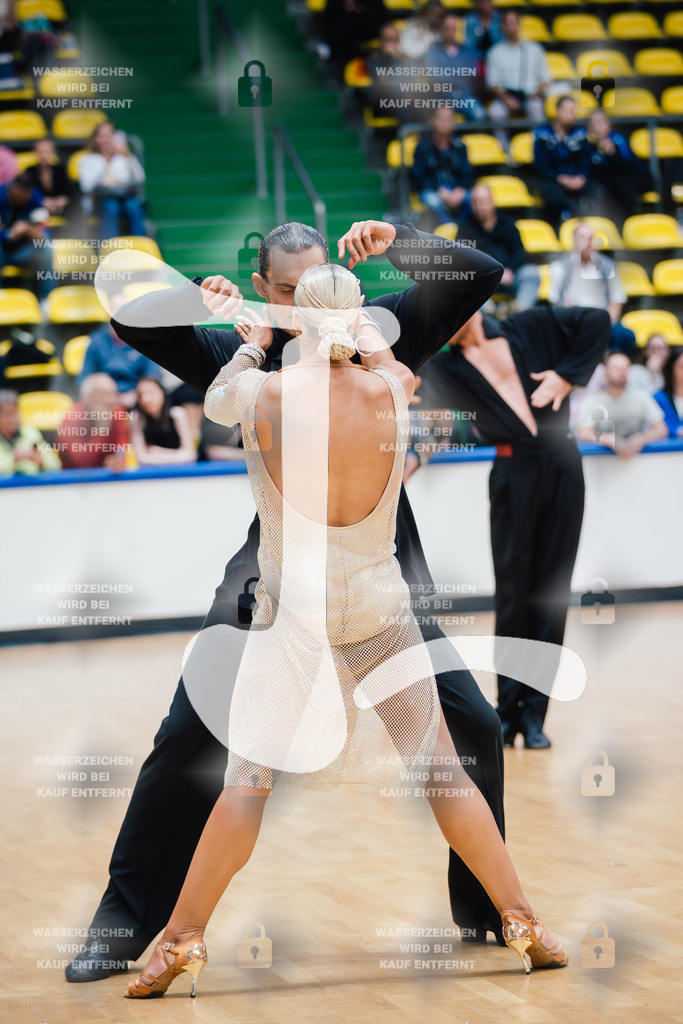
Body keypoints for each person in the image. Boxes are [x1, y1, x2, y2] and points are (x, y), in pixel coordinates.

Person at [65, 219, 509, 982]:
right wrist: (190, 302)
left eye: (316, 286)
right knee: (188, 732)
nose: (305, 307)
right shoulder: (235, 347)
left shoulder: (377, 329)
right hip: (271, 578)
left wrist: (400, 237)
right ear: (265, 287)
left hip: (378, 572)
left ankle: (493, 912)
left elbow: (478, 273)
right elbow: (125, 310)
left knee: (473, 726)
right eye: (284, 291)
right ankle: (124, 921)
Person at [417, 306, 609, 748]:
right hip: (512, 473)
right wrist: (411, 458)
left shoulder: (527, 327)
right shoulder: (444, 366)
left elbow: (597, 320)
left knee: (551, 593)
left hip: (564, 466)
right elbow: (434, 422)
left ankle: (537, 715)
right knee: (513, 594)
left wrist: (568, 375)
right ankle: (507, 711)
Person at [549, 222, 633, 351]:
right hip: (573, 319)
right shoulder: (559, 266)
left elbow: (617, 300)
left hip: (601, 319)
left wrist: (606, 321)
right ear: (574, 242)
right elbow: (555, 301)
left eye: (591, 238)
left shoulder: (608, 266)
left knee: (626, 336)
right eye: (582, 238)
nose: (587, 242)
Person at [458, 182, 539, 310]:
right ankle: (490, 317)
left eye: (483, 201)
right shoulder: (465, 227)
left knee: (531, 273)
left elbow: (519, 251)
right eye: (475, 202)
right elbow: (463, 258)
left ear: (492, 201)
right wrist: (492, 273)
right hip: (483, 281)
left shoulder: (507, 222)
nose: (480, 206)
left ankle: (519, 312)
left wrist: (509, 270)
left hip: (510, 277)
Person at [576, 351, 667, 456]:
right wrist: (611, 440)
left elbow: (661, 429)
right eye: (615, 368)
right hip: (602, 464)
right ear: (605, 373)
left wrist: (641, 438)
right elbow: (582, 432)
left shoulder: (642, 398)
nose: (620, 372)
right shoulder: (591, 401)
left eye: (625, 368)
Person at [533, 96, 597, 223]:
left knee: (596, 190)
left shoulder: (580, 133)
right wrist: (560, 178)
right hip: (553, 180)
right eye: (568, 111)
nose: (571, 115)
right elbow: (540, 164)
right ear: (557, 111)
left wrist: (582, 177)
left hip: (577, 179)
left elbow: (586, 159)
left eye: (573, 111)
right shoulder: (543, 133)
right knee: (553, 196)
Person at [78, 121, 146, 240]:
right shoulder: (87, 160)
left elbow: (140, 178)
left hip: (124, 198)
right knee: (111, 206)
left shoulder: (123, 158)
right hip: (99, 200)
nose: (109, 140)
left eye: (111, 135)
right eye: (105, 136)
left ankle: (142, 245)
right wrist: (106, 161)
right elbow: (87, 187)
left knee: (133, 206)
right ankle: (108, 247)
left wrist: (128, 157)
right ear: (97, 139)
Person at [410, 105, 474, 225]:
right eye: (443, 119)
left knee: (474, 198)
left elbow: (467, 174)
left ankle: (464, 228)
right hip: (433, 191)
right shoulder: (422, 147)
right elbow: (418, 178)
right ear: (432, 120)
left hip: (456, 189)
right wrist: (438, 190)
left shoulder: (460, 146)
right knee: (432, 200)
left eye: (450, 119)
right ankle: (449, 230)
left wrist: (459, 190)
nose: (447, 123)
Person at [586, 110, 652, 225]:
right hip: (612, 185)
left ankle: (632, 222)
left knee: (622, 184)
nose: (596, 127)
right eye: (593, 124)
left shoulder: (618, 139)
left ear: (608, 125)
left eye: (600, 123)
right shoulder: (589, 147)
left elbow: (628, 166)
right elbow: (593, 172)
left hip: (637, 178)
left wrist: (612, 153)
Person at [486, 10, 548, 131]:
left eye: (513, 23)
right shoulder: (494, 52)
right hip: (506, 96)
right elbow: (493, 83)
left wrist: (537, 93)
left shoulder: (534, 49)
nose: (510, 27)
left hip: (530, 95)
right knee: (495, 113)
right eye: (507, 24)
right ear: (502, 27)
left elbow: (545, 79)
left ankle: (537, 143)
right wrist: (507, 99)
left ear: (519, 25)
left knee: (537, 109)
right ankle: (503, 147)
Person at [77, 319, 162, 409]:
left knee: (151, 392)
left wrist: (137, 393)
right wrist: (105, 390)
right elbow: (85, 378)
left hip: (136, 397)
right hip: (105, 397)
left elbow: (153, 376)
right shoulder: (96, 341)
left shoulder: (144, 340)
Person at [55, 373, 130, 470]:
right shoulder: (71, 419)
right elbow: (81, 464)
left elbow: (121, 448)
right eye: (104, 395)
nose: (110, 400)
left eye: (113, 394)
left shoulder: (118, 412)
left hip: (110, 478)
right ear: (87, 397)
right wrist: (100, 430)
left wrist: (117, 460)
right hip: (74, 480)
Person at [0, 172, 55, 298]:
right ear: (12, 190)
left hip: (24, 251)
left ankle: (46, 301)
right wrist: (10, 234)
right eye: (20, 196)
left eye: (26, 196)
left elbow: (45, 233)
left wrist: (35, 233)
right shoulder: (1, 195)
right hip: (2, 249)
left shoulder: (34, 197)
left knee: (46, 250)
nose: (24, 199)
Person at [423, 13, 485, 121]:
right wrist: (459, 79)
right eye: (447, 28)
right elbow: (434, 77)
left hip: (465, 95)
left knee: (479, 114)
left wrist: (449, 75)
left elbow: (473, 75)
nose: (451, 32)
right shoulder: (433, 51)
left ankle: (463, 138)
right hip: (441, 96)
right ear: (441, 29)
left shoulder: (469, 51)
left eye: (454, 28)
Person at [130, 376, 197, 466]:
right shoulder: (137, 419)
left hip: (181, 470)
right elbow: (140, 458)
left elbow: (190, 455)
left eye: (151, 393)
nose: (146, 399)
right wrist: (176, 455)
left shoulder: (177, 414)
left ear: (162, 393)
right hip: (151, 473)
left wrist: (159, 452)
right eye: (141, 394)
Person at [0, 387, 61, 474]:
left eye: (15, 412)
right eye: (7, 414)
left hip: (32, 486)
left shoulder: (30, 433)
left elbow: (55, 465)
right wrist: (14, 459)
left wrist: (40, 461)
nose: (12, 418)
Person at [24, 137, 73, 218]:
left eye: (46, 152)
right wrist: (41, 201)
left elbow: (69, 190)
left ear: (53, 152)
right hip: (38, 207)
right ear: (35, 152)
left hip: (60, 208)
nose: (43, 155)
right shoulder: (30, 171)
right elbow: (27, 192)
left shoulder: (60, 169)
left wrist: (63, 199)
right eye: (40, 152)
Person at [654, 347, 683, 438]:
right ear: (671, 369)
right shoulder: (659, 398)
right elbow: (658, 426)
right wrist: (676, 431)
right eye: (682, 367)